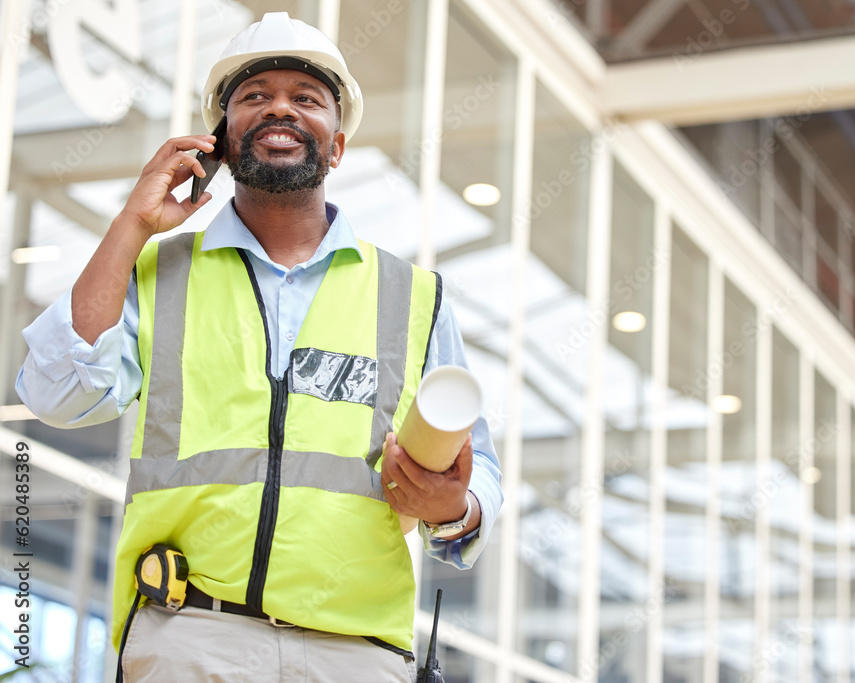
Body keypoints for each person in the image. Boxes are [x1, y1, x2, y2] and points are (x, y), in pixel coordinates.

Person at [15, 12, 502, 682]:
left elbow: (483, 483)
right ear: (218, 140)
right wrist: (133, 225)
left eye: (306, 98)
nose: (280, 107)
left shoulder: (412, 296)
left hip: (354, 652)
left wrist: (452, 507)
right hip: (188, 636)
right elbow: (57, 394)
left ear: (335, 146)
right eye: (255, 95)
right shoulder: (159, 275)